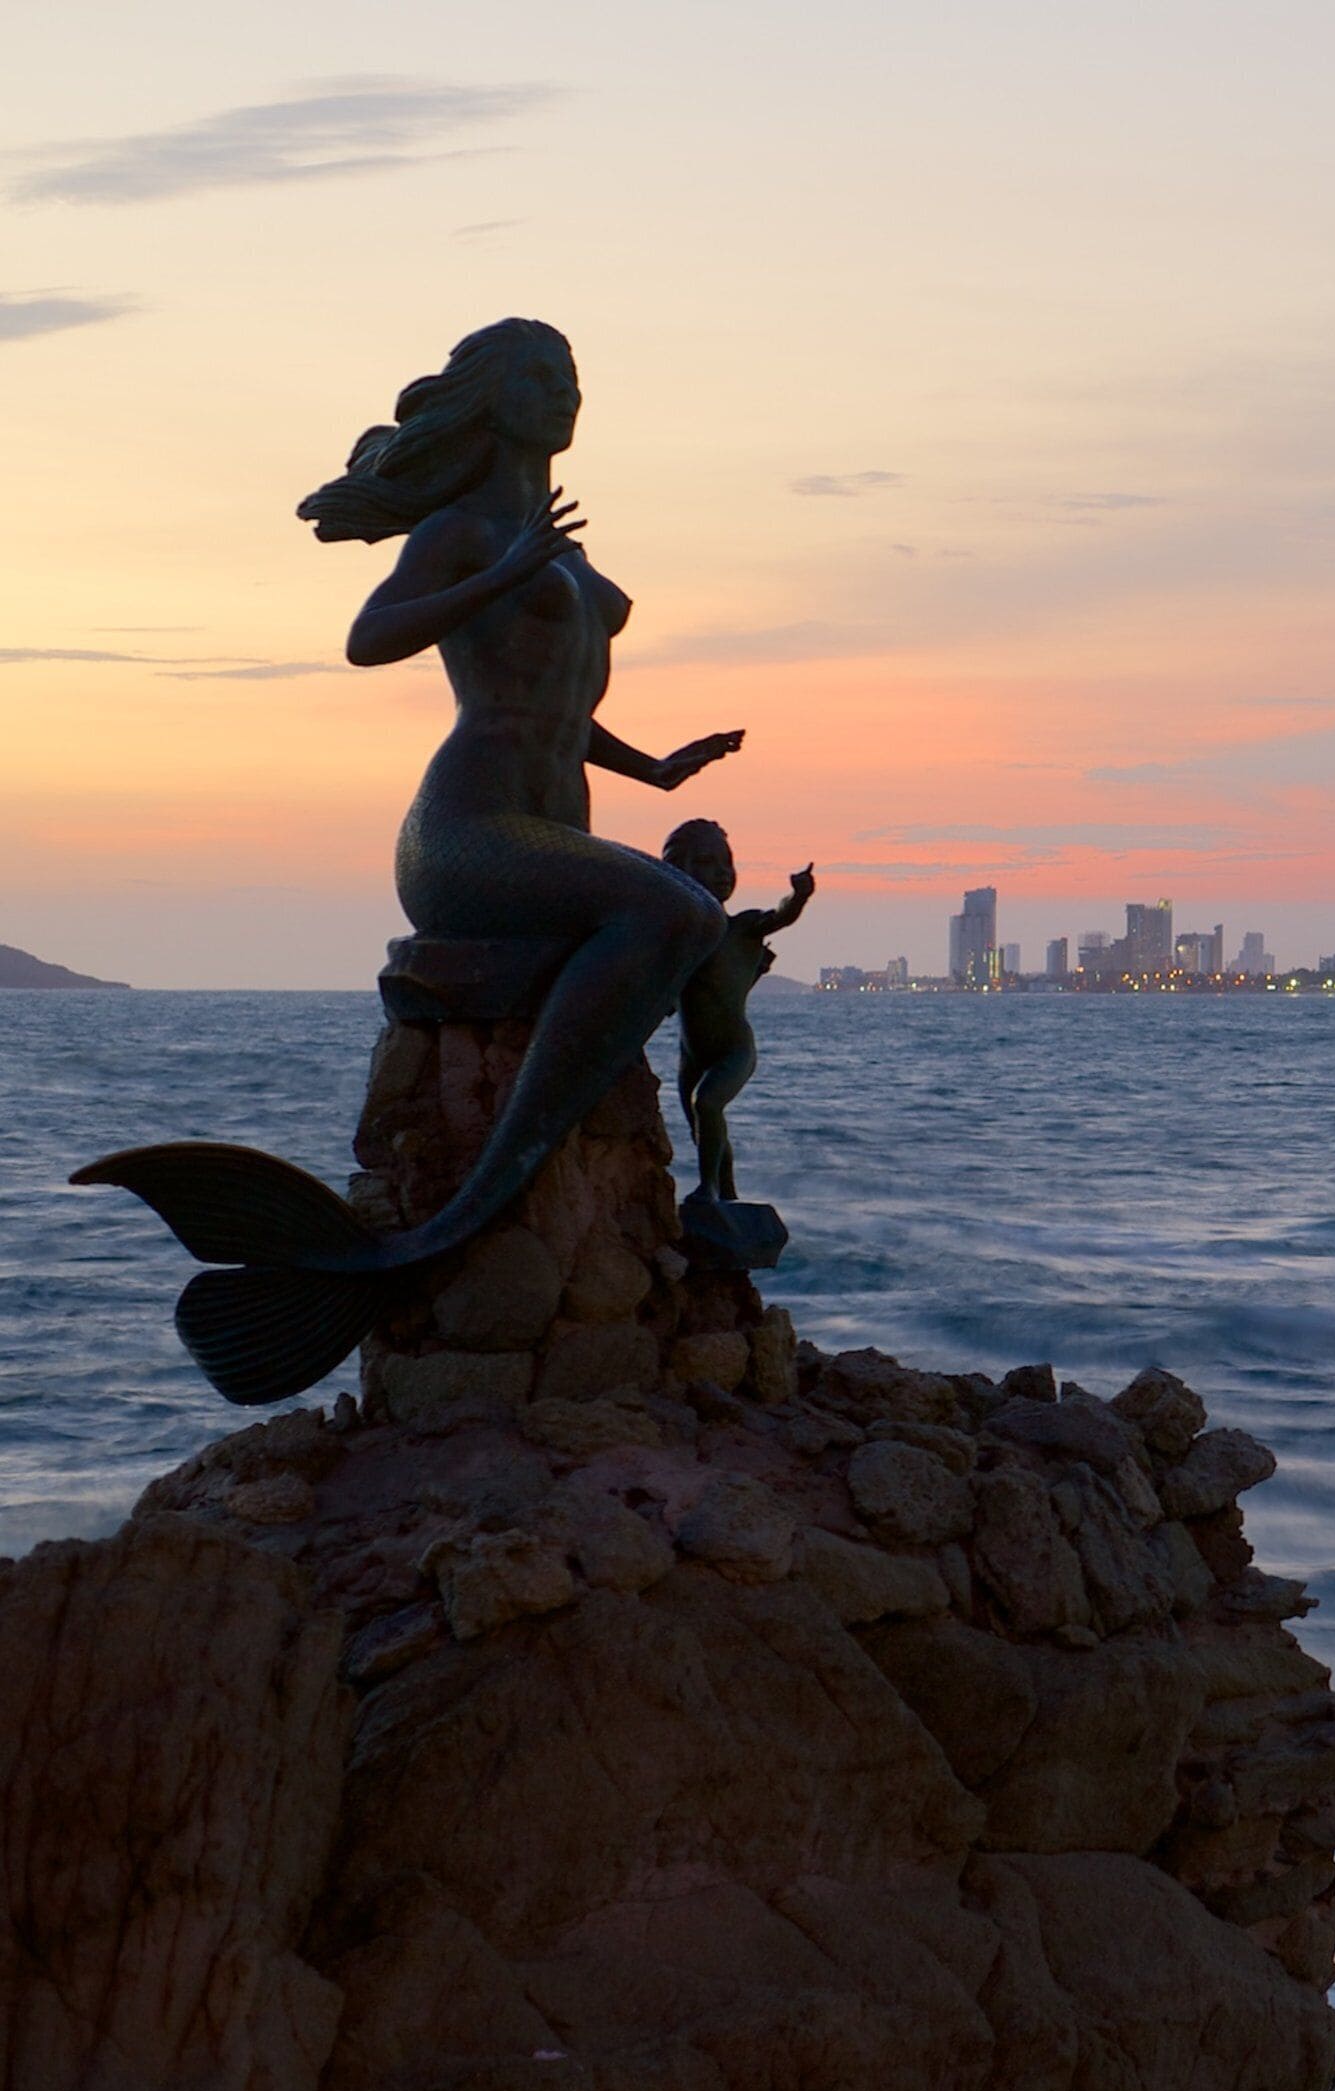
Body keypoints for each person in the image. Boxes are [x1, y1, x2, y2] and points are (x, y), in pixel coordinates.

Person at [75, 320, 750, 1401]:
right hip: (467, 836)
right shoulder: (465, 532)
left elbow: (556, 706)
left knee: (690, 916)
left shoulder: (551, 542)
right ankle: (483, 1198)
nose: (565, 392)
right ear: (490, 402)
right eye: (539, 376)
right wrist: (503, 571)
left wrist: (658, 772)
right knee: (676, 913)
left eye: (573, 373)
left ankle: (665, 1193)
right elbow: (371, 636)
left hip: (552, 832)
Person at [661, 820, 813, 1206]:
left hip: (734, 1051)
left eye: (726, 863)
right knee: (703, 1129)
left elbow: (780, 915)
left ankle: (709, 1191)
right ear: (677, 870)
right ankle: (726, 1197)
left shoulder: (742, 929)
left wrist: (798, 897)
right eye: (707, 862)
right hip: (690, 1058)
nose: (721, 873)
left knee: (708, 1104)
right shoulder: (676, 940)